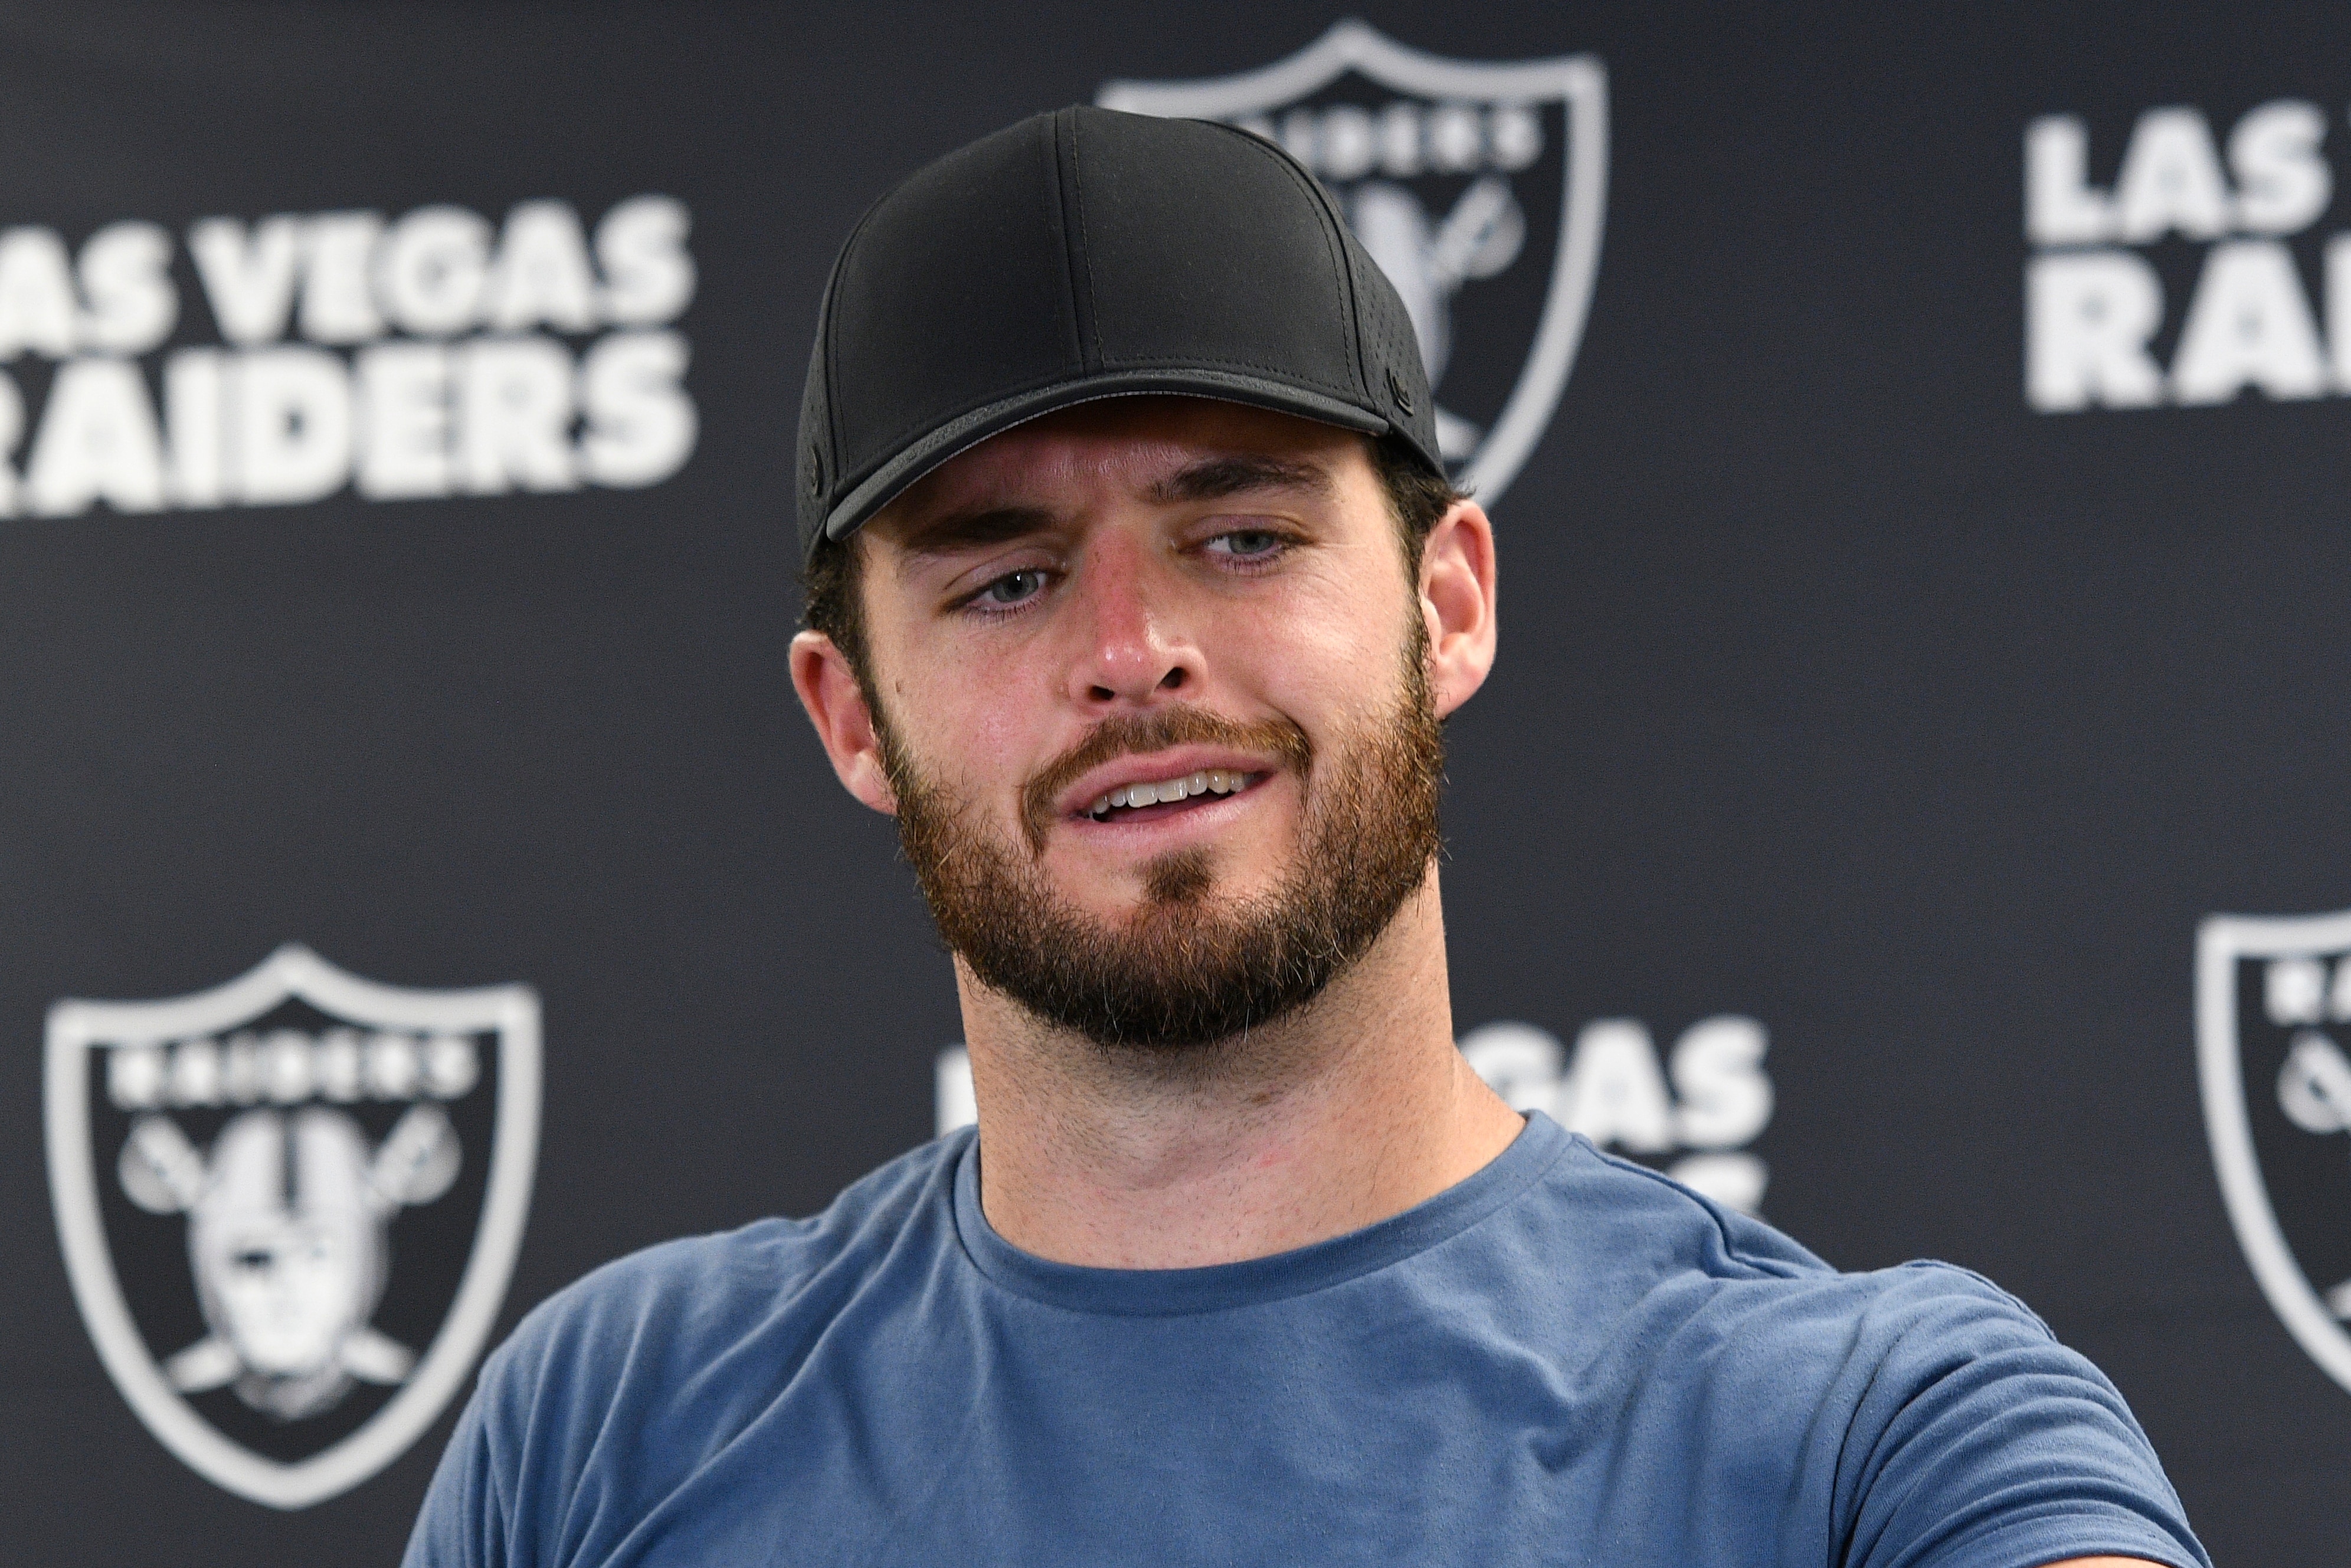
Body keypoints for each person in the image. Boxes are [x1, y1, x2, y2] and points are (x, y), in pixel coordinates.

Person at [403, 106, 2206, 1568]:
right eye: (1010, 579)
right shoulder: (606, 1427)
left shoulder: (1873, 1436)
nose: (1132, 653)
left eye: (1243, 536)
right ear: (853, 714)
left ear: (1452, 599)